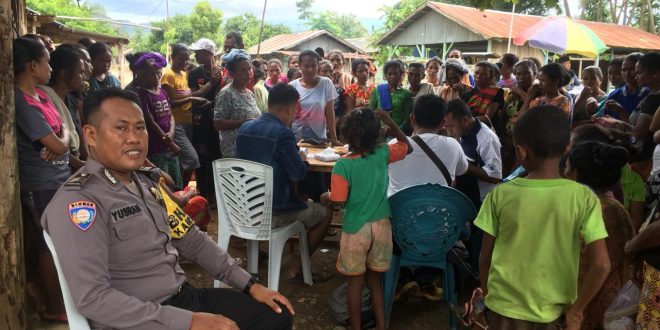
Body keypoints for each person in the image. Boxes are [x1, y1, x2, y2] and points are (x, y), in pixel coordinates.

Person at [41, 87, 294, 329]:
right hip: (138, 320)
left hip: (183, 298)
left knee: (275, 315)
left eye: (140, 128)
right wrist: (188, 322)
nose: (134, 138)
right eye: (120, 128)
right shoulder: (79, 203)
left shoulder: (147, 184)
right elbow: (93, 298)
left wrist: (249, 284)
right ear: (91, 135)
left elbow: (191, 240)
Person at [476, 105, 610, 330]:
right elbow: (602, 264)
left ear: (521, 151)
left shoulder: (500, 194)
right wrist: (577, 310)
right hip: (555, 314)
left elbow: (484, 257)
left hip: (504, 311)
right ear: (568, 146)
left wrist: (490, 297)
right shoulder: (584, 198)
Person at [321, 108, 412, 330]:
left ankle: (356, 327)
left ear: (345, 136)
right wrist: (391, 121)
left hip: (356, 230)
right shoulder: (383, 153)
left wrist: (326, 197)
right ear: (377, 133)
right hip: (382, 227)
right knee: (375, 281)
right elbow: (407, 146)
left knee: (354, 284)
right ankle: (381, 326)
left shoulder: (343, 165)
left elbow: (339, 200)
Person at [236, 83, 333, 279]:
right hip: (274, 211)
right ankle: (297, 265)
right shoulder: (283, 134)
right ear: (291, 108)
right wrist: (303, 161)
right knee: (325, 212)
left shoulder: (245, 128)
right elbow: (298, 174)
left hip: (244, 208)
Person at [14, 36, 69, 322]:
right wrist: (60, 140)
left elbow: (63, 135)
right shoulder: (21, 102)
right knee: (50, 243)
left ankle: (52, 298)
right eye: (47, 61)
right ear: (33, 65)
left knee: (54, 241)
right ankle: (55, 307)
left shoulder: (42, 94)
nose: (51, 66)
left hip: (57, 177)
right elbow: (60, 145)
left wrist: (60, 139)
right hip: (41, 183)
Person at [563, 141, 634, 330]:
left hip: (582, 311)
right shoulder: (614, 207)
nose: (563, 173)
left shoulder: (588, 211)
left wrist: (575, 310)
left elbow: (587, 269)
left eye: (566, 168)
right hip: (611, 307)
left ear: (576, 174)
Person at [444, 99, 501, 270]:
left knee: (478, 248)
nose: (449, 130)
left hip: (482, 201)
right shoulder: (462, 134)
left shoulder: (486, 139)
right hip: (465, 197)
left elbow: (495, 175)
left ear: (464, 120)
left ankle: (475, 278)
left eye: (451, 126)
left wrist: (464, 165)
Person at [388, 94, 468, 196]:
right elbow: (462, 170)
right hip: (439, 208)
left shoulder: (394, 144)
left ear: (412, 119)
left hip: (399, 209)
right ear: (442, 123)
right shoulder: (453, 145)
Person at [125, 52, 183, 187]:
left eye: (159, 73)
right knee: (160, 184)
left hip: (168, 143)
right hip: (155, 147)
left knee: (174, 182)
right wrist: (169, 141)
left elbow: (170, 113)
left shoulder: (161, 90)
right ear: (140, 72)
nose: (157, 77)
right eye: (153, 73)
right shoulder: (137, 93)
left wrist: (171, 133)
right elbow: (149, 121)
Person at [161, 43, 207, 187]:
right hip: (176, 124)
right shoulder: (168, 76)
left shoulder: (184, 74)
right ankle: (183, 190)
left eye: (187, 59)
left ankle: (178, 191)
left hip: (188, 122)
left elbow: (185, 96)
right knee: (192, 159)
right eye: (181, 59)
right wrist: (191, 98)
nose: (185, 62)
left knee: (182, 162)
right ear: (173, 57)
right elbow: (172, 102)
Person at [187, 38, 223, 201]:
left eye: (198, 52)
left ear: (209, 54)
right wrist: (210, 84)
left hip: (217, 123)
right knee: (202, 159)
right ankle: (203, 194)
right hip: (200, 122)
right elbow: (192, 96)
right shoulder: (194, 73)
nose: (195, 55)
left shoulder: (223, 72)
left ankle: (217, 196)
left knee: (217, 157)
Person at [43, 45, 87, 171]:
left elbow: (80, 131)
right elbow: (51, 147)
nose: (84, 77)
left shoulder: (71, 99)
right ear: (64, 74)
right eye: (80, 72)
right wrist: (77, 163)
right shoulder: (44, 100)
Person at [214, 49, 261, 158]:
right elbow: (218, 124)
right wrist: (245, 122)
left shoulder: (249, 93)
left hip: (249, 149)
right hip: (234, 152)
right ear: (232, 73)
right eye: (243, 70)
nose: (248, 73)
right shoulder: (226, 93)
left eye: (249, 69)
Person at [291, 49, 342, 146]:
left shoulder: (326, 83)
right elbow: (288, 115)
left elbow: (330, 113)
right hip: (297, 138)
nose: (310, 69)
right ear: (299, 65)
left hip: (319, 138)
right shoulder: (292, 86)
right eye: (306, 66)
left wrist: (334, 139)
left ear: (318, 66)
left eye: (313, 66)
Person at [501, 59, 537, 175]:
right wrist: (504, 138)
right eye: (518, 74)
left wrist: (523, 95)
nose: (521, 77)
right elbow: (503, 117)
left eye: (526, 73)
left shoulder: (540, 94)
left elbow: (533, 116)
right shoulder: (512, 94)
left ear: (534, 74)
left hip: (529, 143)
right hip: (509, 142)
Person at [601, 53, 649, 121]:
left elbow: (641, 129)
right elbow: (605, 119)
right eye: (624, 70)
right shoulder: (614, 95)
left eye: (632, 69)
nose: (627, 73)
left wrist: (621, 111)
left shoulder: (649, 94)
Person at [370, 60, 413, 134]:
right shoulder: (378, 90)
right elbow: (371, 113)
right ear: (385, 75)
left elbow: (407, 119)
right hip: (379, 132)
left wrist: (395, 130)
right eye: (389, 74)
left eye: (395, 73)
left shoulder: (406, 94)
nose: (392, 76)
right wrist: (380, 128)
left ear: (400, 74)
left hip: (398, 133)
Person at [461, 61, 505, 129]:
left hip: (488, 131)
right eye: (476, 73)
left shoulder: (496, 92)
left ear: (490, 77)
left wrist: (464, 121)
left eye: (484, 74)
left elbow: (486, 119)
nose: (479, 76)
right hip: (468, 129)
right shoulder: (467, 94)